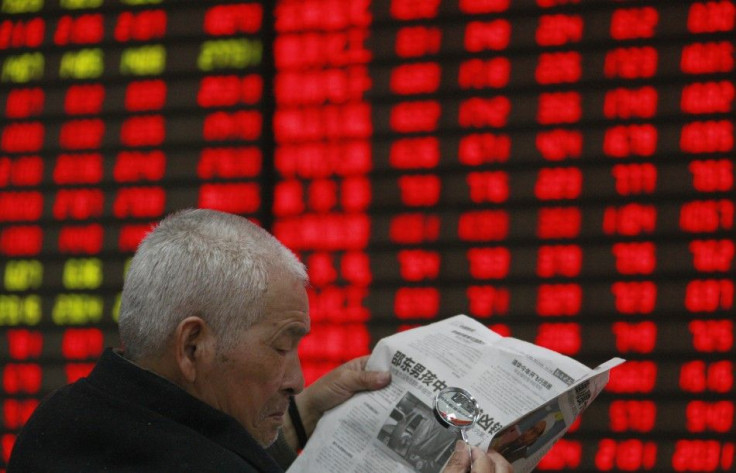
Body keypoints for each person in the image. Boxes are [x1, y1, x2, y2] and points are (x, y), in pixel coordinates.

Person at [8, 209, 511, 473]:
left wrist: (299, 419)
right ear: (192, 348)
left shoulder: (58, 421)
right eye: (281, 345)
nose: (296, 378)